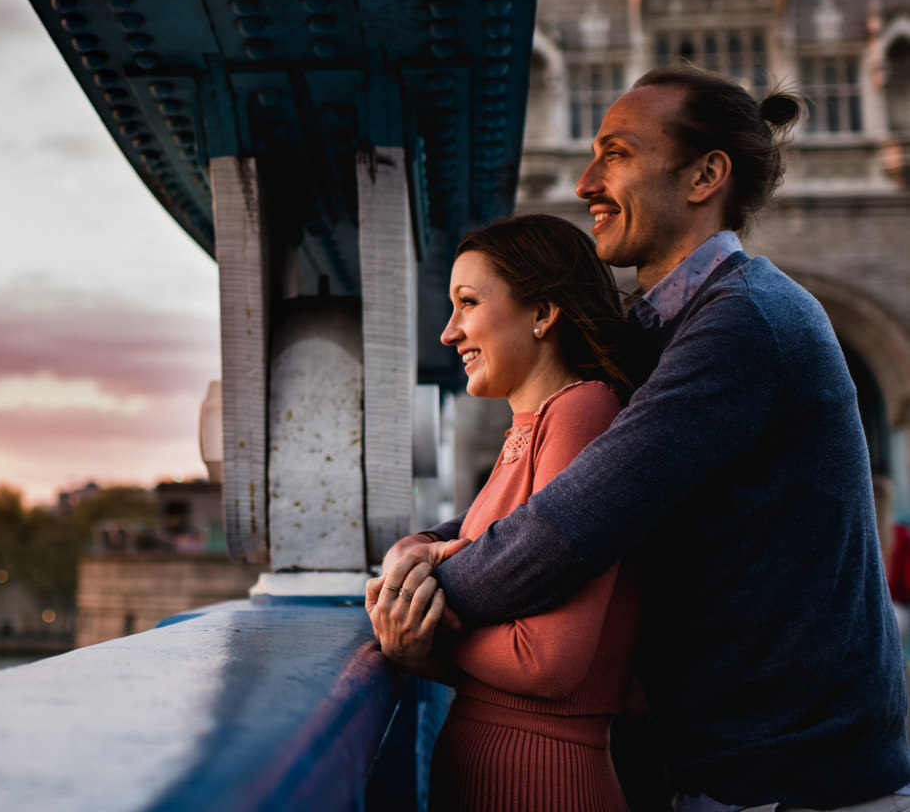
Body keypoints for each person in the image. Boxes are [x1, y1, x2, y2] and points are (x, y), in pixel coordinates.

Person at [384, 65, 910, 810]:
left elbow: (577, 522)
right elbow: (552, 495)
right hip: (721, 761)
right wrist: (423, 545)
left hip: (795, 776)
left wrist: (422, 606)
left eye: (618, 154)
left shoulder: (743, 323)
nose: (586, 181)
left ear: (704, 176)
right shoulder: (657, 330)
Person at [370, 213, 644, 810]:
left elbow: (546, 663)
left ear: (544, 314)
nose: (449, 333)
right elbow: (467, 557)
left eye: (467, 303)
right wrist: (408, 552)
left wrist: (424, 639)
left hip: (546, 776)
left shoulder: (583, 411)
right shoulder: (529, 425)